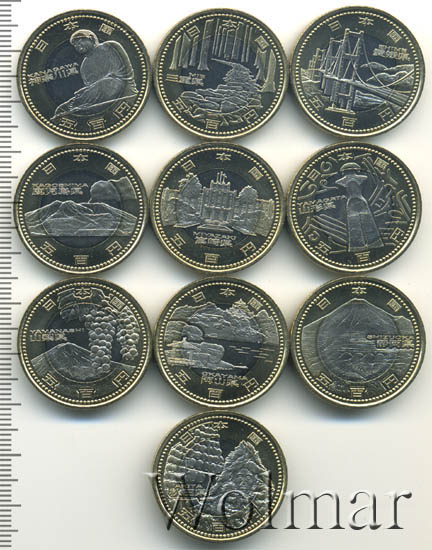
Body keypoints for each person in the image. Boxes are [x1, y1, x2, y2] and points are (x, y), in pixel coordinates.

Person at [52, 29, 138, 118]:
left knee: (106, 84)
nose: (78, 45)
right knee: (70, 103)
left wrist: (96, 86)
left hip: (121, 86)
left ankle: (79, 106)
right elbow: (92, 87)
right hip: (100, 92)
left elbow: (125, 75)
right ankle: (75, 106)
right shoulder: (85, 65)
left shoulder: (110, 46)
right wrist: (85, 91)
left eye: (80, 41)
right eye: (75, 45)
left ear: (91, 38)